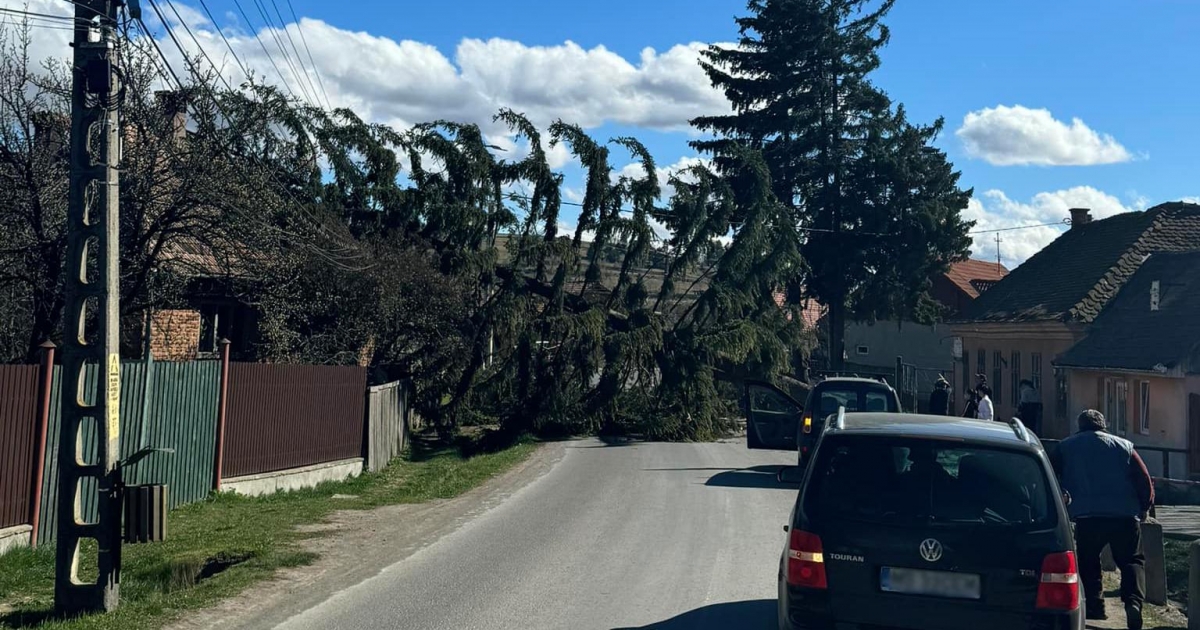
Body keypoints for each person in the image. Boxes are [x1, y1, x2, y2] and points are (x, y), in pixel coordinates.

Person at [1051, 409, 1154, 629]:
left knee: (1088, 559)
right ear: (1103, 425)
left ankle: (1095, 606)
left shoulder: (1066, 446)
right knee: (1132, 561)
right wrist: (1145, 505)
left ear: (1080, 426)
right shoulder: (1124, 446)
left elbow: (1051, 475)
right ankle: (1133, 603)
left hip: (1087, 515)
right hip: (1125, 516)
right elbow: (1143, 477)